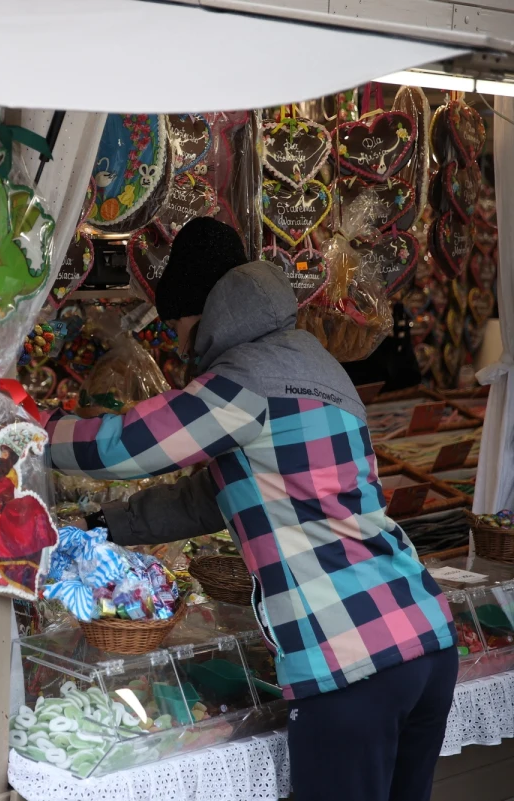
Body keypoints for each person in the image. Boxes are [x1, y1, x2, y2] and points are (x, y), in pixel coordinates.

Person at [47, 217, 457, 801]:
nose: (179, 341)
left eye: (178, 324)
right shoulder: (316, 366)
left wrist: (30, 431)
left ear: (202, 312)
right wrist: (100, 525)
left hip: (349, 660)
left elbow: (128, 445)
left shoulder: (241, 383)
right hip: (423, 637)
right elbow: (207, 499)